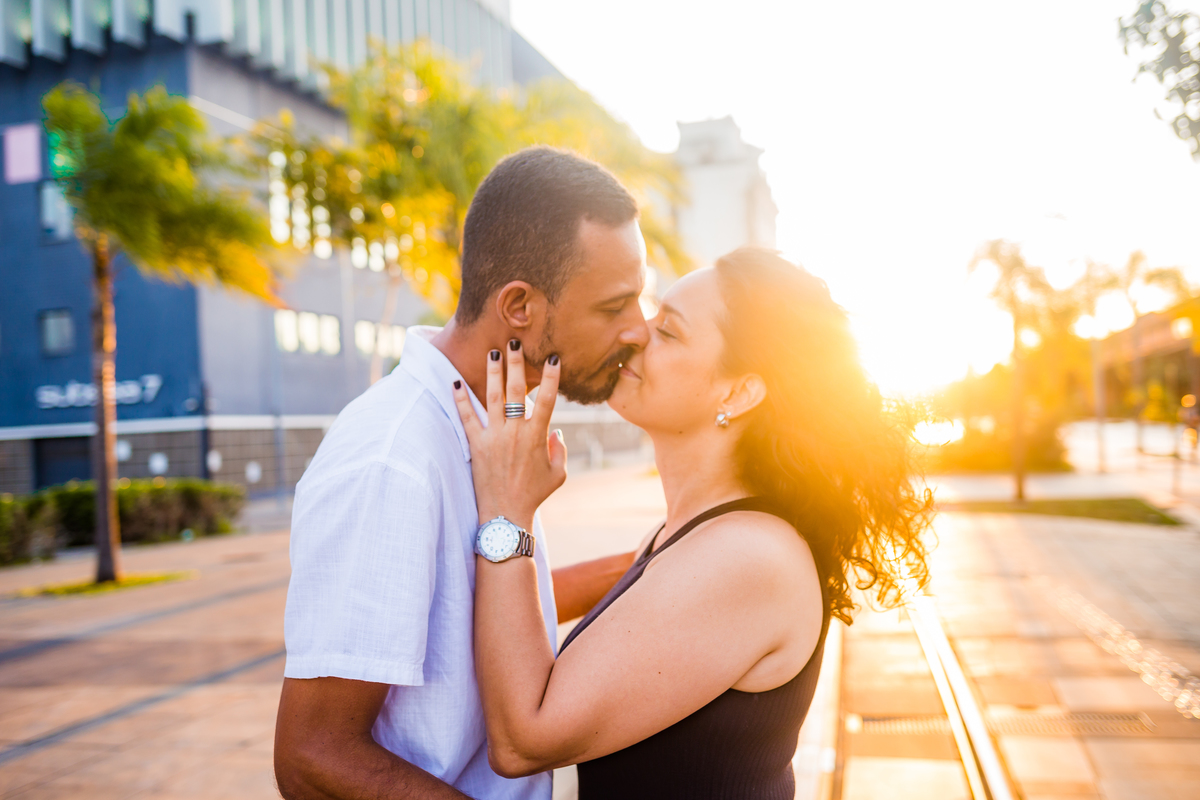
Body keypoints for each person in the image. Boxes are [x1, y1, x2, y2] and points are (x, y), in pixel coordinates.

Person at [454, 247, 934, 799]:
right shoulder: (690, 535)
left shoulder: (748, 556)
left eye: (669, 332)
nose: (634, 335)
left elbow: (524, 741)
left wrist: (507, 509)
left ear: (737, 392)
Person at [274, 147, 652, 800]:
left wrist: (663, 562)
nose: (638, 331)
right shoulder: (392, 460)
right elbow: (313, 755)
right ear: (519, 307)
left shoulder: (484, 425)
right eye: (614, 306)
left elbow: (459, 608)